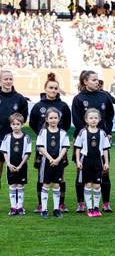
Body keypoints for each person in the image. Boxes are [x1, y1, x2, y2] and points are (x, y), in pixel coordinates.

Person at [72, 70, 114, 213]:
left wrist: (107, 133)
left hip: (101, 142)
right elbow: (77, 121)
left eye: (98, 79)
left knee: (104, 172)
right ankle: (81, 203)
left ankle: (106, 202)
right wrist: (86, 136)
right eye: (94, 80)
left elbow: (109, 116)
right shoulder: (78, 99)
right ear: (85, 81)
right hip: (85, 144)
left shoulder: (105, 96)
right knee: (81, 173)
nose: (97, 82)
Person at [30, 72, 71, 214]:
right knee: (42, 175)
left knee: (61, 175)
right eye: (51, 88)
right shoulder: (38, 106)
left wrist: (58, 138)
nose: (53, 90)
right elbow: (33, 123)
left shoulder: (63, 106)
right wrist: (44, 136)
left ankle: (60, 204)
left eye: (55, 88)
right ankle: (41, 204)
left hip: (59, 148)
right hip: (44, 148)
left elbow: (67, 124)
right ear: (45, 89)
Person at [74, 108, 111, 217]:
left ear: (99, 119)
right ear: (86, 120)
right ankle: (89, 208)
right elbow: (77, 148)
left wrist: (106, 162)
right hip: (86, 160)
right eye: (91, 118)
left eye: (96, 118)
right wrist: (77, 161)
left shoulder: (102, 133)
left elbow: (105, 149)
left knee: (97, 185)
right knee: (88, 184)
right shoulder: (83, 132)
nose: (93, 120)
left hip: (98, 161)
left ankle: (96, 207)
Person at [36, 108, 70, 218]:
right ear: (46, 119)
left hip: (58, 162)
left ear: (59, 119)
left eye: (55, 118)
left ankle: (56, 209)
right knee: (45, 184)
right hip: (46, 161)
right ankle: (44, 209)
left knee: (56, 184)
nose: (53, 120)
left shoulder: (63, 133)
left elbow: (65, 148)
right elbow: (40, 147)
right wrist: (50, 158)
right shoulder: (43, 132)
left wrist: (58, 159)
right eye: (51, 118)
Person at [0, 70, 29, 187]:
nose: (8, 81)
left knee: (15, 174)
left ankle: (16, 204)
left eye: (10, 79)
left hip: (15, 141)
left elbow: (23, 118)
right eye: (5, 79)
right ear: (1, 80)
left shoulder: (20, 99)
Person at [0, 113, 31, 216]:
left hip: (21, 166)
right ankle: (13, 207)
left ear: (22, 124)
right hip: (10, 166)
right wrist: (8, 164)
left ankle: (20, 207)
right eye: (13, 124)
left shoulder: (27, 137)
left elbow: (27, 153)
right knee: (12, 185)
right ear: (10, 125)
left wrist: (21, 165)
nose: (16, 126)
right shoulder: (7, 137)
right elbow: (4, 152)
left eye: (18, 124)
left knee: (20, 185)